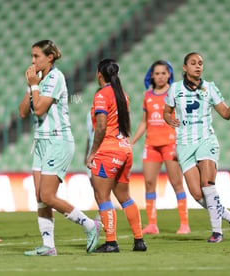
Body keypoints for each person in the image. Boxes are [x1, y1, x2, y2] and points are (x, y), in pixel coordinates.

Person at [18, 40, 100, 256]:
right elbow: (23, 111)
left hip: (58, 140)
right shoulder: (39, 79)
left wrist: (35, 85)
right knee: (39, 196)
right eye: (32, 56)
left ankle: (90, 225)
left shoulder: (56, 77)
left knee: (47, 194)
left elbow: (40, 109)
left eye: (37, 56)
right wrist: (31, 85)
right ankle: (48, 246)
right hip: (41, 142)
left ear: (49, 57)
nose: (33, 60)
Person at [163, 52, 230, 243]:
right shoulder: (175, 89)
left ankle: (217, 232)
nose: (198, 66)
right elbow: (166, 112)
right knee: (196, 194)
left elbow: (226, 114)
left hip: (206, 140)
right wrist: (170, 119)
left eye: (200, 63)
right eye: (193, 63)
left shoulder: (209, 88)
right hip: (184, 145)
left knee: (207, 185)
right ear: (185, 68)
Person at [86, 58, 147, 252]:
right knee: (124, 196)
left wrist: (93, 152)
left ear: (99, 74)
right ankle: (139, 240)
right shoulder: (123, 95)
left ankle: (111, 242)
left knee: (102, 196)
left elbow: (102, 126)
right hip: (124, 149)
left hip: (108, 150)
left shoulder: (102, 95)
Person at [131, 60, 190, 235]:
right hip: (151, 145)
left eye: (163, 73)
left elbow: (181, 119)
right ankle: (151, 224)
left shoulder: (174, 94)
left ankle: (184, 224)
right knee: (149, 183)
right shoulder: (147, 96)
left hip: (170, 144)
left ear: (169, 74)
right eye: (156, 73)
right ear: (152, 76)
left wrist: (179, 143)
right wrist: (132, 141)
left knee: (176, 183)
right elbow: (144, 122)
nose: (160, 76)